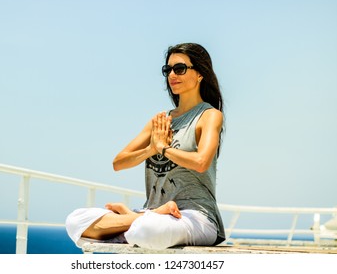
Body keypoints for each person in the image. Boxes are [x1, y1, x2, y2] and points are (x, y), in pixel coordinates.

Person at [65, 43, 226, 250]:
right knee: (75, 220)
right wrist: (151, 149)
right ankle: (147, 215)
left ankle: (135, 220)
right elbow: (118, 162)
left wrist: (164, 149)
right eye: (167, 70)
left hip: (196, 216)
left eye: (180, 69)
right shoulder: (160, 120)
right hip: (155, 214)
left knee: (147, 230)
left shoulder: (209, 115)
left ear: (200, 74)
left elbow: (201, 162)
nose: (172, 75)